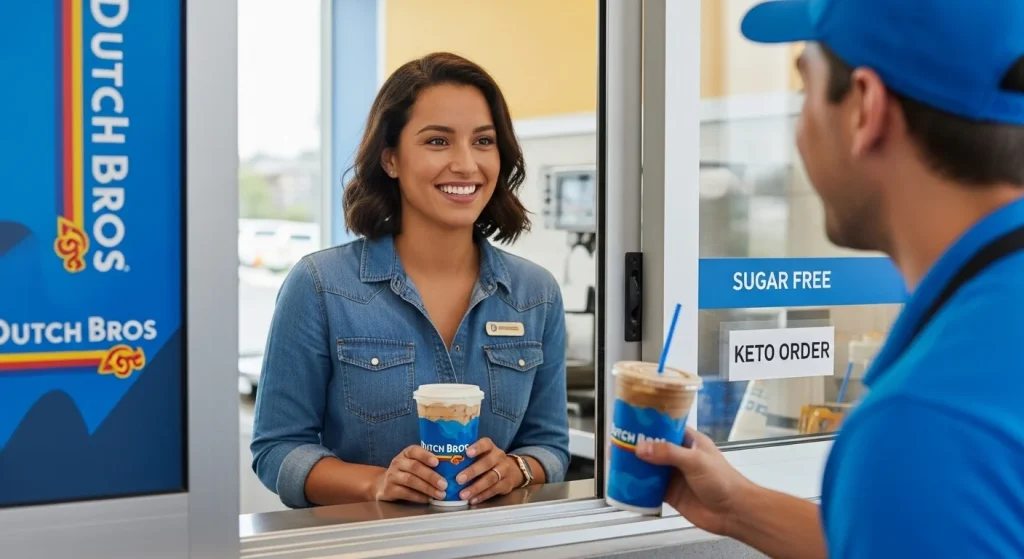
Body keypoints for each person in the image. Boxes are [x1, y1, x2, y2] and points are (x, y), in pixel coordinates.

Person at [637, 0, 1024, 557]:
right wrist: (736, 507)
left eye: (805, 92)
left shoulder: (925, 424)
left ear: (865, 108)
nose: (798, 134)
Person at [250, 52, 570, 509]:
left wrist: (516, 469)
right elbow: (277, 450)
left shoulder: (536, 294)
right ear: (391, 159)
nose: (466, 164)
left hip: (495, 541)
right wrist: (375, 483)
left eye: (483, 141)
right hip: (371, 541)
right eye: (438, 141)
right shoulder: (321, 286)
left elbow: (550, 446)